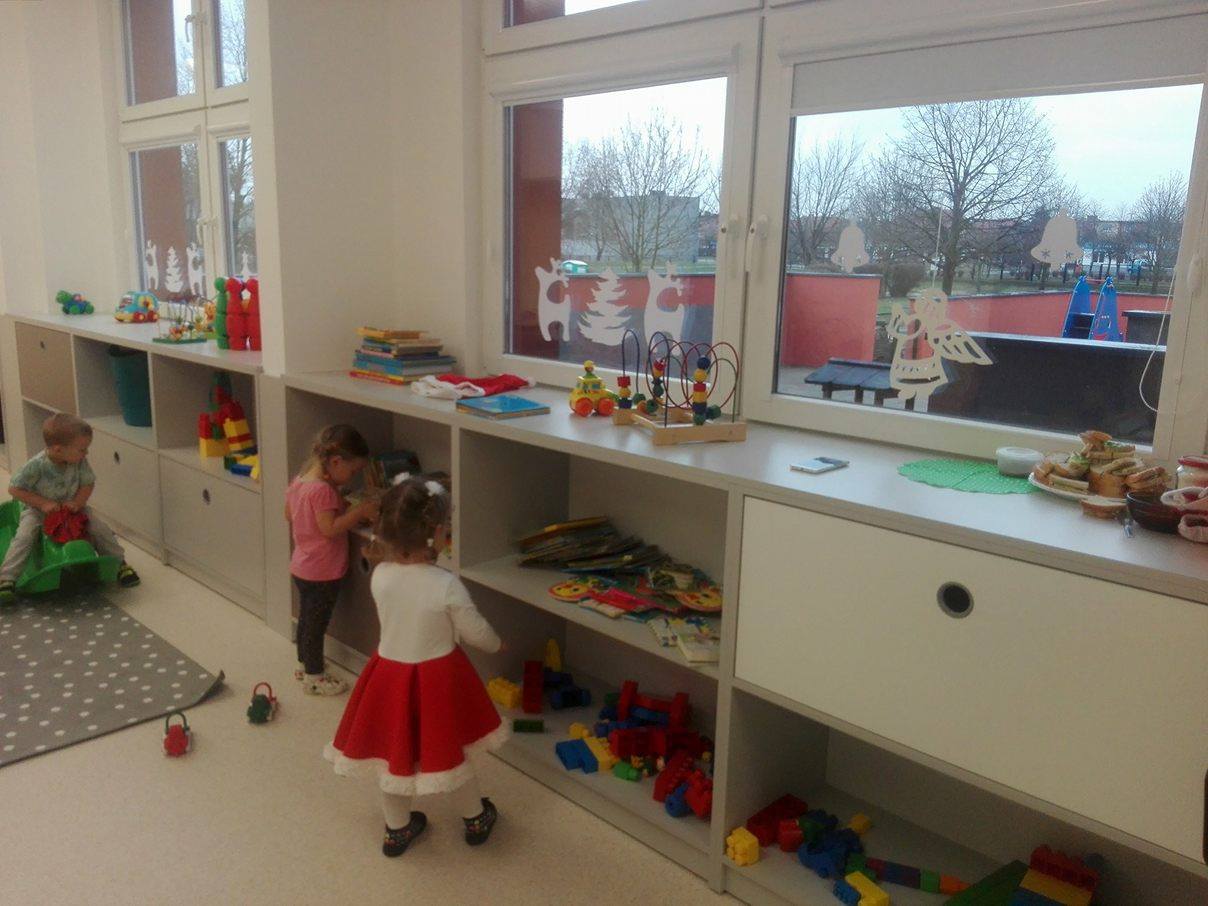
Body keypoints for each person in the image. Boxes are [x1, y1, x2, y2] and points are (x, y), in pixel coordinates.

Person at [325, 475, 507, 857]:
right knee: (451, 751)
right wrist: (497, 644)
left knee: (393, 757)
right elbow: (475, 632)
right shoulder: (444, 584)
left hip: (389, 676)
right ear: (437, 533)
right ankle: (475, 819)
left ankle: (397, 830)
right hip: (437, 680)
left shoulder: (381, 575)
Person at [0, 413, 139, 603]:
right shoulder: (36, 466)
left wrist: (78, 502)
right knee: (24, 535)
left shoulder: (78, 461)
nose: (86, 453)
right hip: (38, 511)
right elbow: (14, 489)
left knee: (99, 528)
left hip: (72, 508)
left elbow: (87, 483)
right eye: (82, 449)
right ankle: (7, 578)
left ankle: (119, 563)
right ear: (58, 449)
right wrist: (43, 503)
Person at [285, 425, 377, 695]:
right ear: (336, 462)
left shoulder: (300, 480)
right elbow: (330, 528)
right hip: (322, 572)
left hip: (302, 566)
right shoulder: (323, 491)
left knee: (306, 620)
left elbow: (289, 514)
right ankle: (315, 675)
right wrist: (359, 512)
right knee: (316, 625)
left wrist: (337, 505)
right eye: (353, 471)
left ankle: (304, 664)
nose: (352, 477)